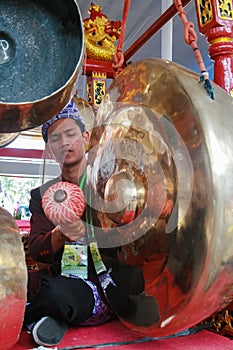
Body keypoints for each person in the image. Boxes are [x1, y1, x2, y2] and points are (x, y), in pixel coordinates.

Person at [24, 101, 115, 347]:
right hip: (62, 277)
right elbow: (35, 249)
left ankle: (33, 317)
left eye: (71, 134)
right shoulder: (41, 195)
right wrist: (58, 235)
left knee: (58, 296)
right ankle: (53, 318)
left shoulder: (109, 184)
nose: (64, 143)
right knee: (21, 283)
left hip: (104, 281)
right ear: (49, 150)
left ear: (85, 137)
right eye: (55, 139)